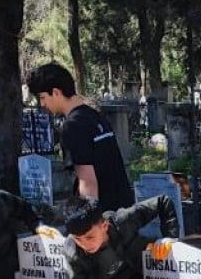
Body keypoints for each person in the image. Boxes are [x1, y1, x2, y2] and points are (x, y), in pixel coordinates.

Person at [25, 62, 134, 214]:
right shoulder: (96, 117)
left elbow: (87, 181)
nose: (42, 104)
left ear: (56, 92)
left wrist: (87, 225)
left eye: (42, 97)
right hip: (124, 208)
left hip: (104, 218)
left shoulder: (72, 127)